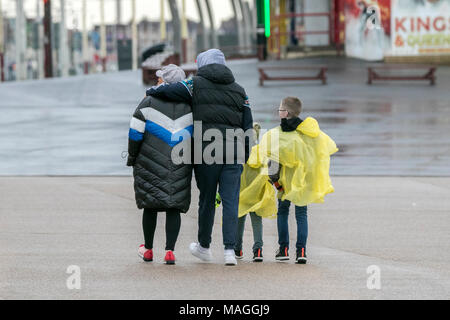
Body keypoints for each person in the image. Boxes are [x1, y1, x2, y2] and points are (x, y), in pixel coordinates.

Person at [146, 49, 254, 266]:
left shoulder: (194, 84)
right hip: (233, 153)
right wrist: (246, 154)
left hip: (206, 152)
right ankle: (229, 252)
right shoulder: (240, 91)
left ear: (202, 65)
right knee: (231, 201)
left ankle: (204, 247)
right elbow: (248, 125)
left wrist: (152, 90)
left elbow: (167, 91)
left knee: (207, 200)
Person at [239, 97, 338, 264]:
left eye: (280, 109)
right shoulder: (309, 134)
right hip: (303, 183)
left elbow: (271, 162)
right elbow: (316, 157)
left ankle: (283, 249)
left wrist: (276, 183)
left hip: (284, 184)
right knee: (301, 214)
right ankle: (301, 251)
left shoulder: (276, 135)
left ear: (285, 112)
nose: (278, 112)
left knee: (283, 213)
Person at [127, 64, 193, 265]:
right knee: (173, 206)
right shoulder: (191, 107)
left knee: (151, 205)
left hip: (150, 163)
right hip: (180, 164)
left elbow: (135, 132)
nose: (157, 80)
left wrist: (132, 156)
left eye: (160, 78)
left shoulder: (148, 102)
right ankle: (170, 252)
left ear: (165, 81)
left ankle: (148, 249)